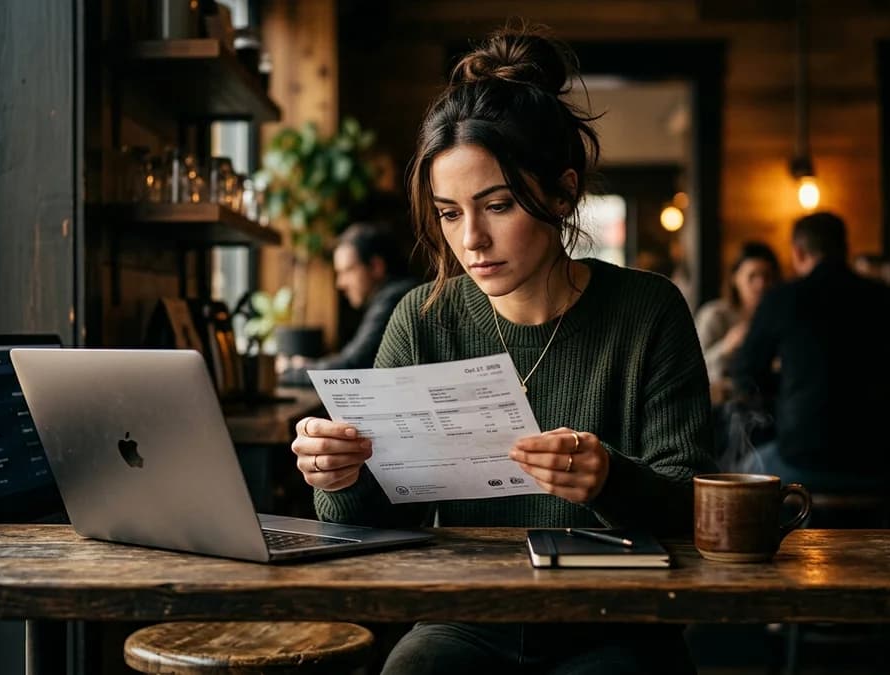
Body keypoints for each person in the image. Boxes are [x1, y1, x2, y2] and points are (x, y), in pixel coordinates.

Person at [290, 25, 715, 675]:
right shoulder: (424, 319)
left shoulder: (648, 311)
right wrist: (338, 477)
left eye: (498, 204)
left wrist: (609, 478)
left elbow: (693, 507)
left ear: (564, 191)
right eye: (451, 213)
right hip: (466, 618)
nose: (473, 239)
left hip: (617, 621)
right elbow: (370, 523)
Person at [730, 212, 890, 490]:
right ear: (846, 250)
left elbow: (745, 373)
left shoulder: (782, 298)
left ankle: (792, 532)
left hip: (804, 457)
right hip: (881, 460)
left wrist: (788, 389)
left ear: (797, 253)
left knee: (740, 472)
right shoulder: (887, 298)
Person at [279, 223, 417, 386]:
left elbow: (352, 366)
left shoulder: (394, 298)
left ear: (375, 267)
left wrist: (289, 371)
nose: (340, 284)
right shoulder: (394, 294)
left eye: (347, 271)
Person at [694, 242, 781, 386]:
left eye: (767, 276)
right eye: (752, 276)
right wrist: (727, 346)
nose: (761, 284)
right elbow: (692, 369)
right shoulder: (714, 314)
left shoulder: (778, 317)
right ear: (735, 278)